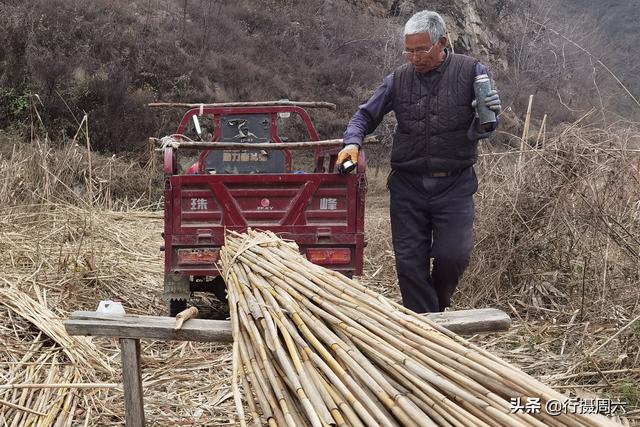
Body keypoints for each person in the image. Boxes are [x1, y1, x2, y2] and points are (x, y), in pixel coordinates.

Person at [337, 10, 501, 313]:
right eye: (408, 50)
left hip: (455, 183)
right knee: (410, 262)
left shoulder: (471, 72)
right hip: (408, 185)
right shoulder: (398, 80)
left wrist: (488, 117)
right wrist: (351, 142)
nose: (414, 57)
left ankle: (435, 310)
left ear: (441, 43)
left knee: (454, 255)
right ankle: (426, 324)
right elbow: (365, 115)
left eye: (421, 50)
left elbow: (485, 129)